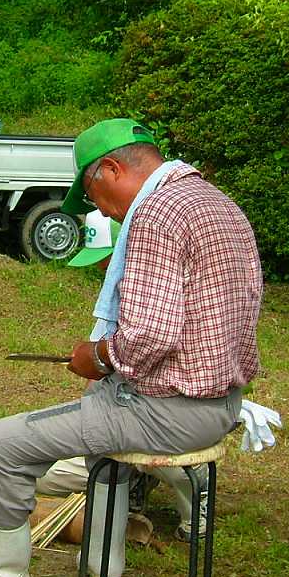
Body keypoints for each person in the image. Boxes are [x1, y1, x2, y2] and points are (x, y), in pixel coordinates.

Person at [0, 117, 263, 577]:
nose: (102, 211)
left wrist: (99, 356)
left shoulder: (157, 213)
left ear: (110, 169)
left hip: (168, 411)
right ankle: (105, 563)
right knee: (93, 413)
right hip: (221, 403)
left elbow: (150, 335)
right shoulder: (217, 202)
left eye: (94, 195)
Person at [38, 208, 211, 543]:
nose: (103, 269)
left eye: (109, 260)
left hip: (164, 417)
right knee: (46, 476)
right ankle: (132, 480)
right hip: (118, 420)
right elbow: (96, 377)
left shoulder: (169, 299)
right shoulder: (113, 300)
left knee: (171, 457)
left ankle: (196, 493)